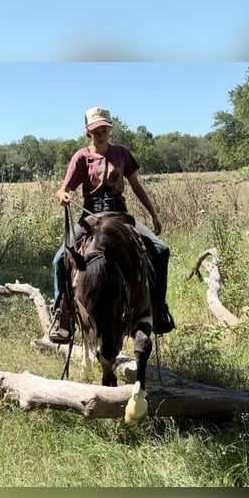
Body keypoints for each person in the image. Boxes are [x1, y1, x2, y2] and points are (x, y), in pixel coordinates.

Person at [49, 106, 175, 343]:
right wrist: (63, 195)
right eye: (96, 130)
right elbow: (63, 189)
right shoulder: (81, 157)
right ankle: (63, 316)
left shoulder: (122, 153)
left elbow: (136, 186)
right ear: (88, 131)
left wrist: (154, 214)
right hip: (90, 217)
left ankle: (158, 310)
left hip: (120, 215)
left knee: (161, 250)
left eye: (105, 128)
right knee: (59, 259)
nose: (101, 133)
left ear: (110, 129)